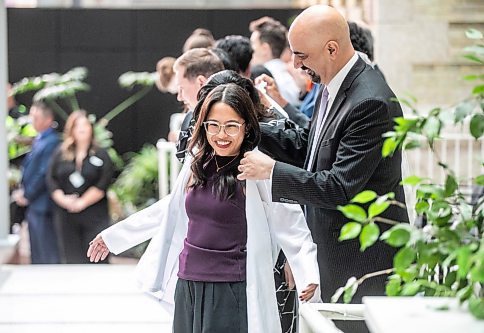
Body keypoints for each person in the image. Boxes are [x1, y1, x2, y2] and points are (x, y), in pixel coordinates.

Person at [88, 83, 321, 333]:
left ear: (247, 127)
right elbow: (169, 209)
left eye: (231, 125)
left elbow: (292, 224)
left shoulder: (256, 168)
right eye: (213, 125)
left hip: (232, 288)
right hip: (188, 284)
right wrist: (113, 236)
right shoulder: (197, 162)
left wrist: (308, 272)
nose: (222, 135)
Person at [238, 5, 409, 331]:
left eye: (302, 55)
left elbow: (339, 187)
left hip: (361, 262)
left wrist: (271, 170)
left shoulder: (370, 100)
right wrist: (252, 125)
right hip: (332, 254)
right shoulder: (335, 83)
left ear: (332, 48)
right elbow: (311, 148)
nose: (296, 65)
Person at [47, 110, 113, 264]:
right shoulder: (60, 154)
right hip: (66, 216)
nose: (82, 129)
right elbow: (51, 180)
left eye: (85, 125)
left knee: (95, 258)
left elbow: (104, 182)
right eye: (78, 126)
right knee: (71, 259)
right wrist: (63, 200)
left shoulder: (101, 155)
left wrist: (81, 203)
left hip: (94, 214)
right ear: (71, 130)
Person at [12, 101, 60, 264]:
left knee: (47, 250)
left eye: (36, 117)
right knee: (37, 249)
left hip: (43, 203)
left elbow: (43, 172)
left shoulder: (52, 141)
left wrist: (27, 194)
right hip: (35, 204)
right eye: (32, 117)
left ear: (48, 119)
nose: (33, 121)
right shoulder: (40, 139)